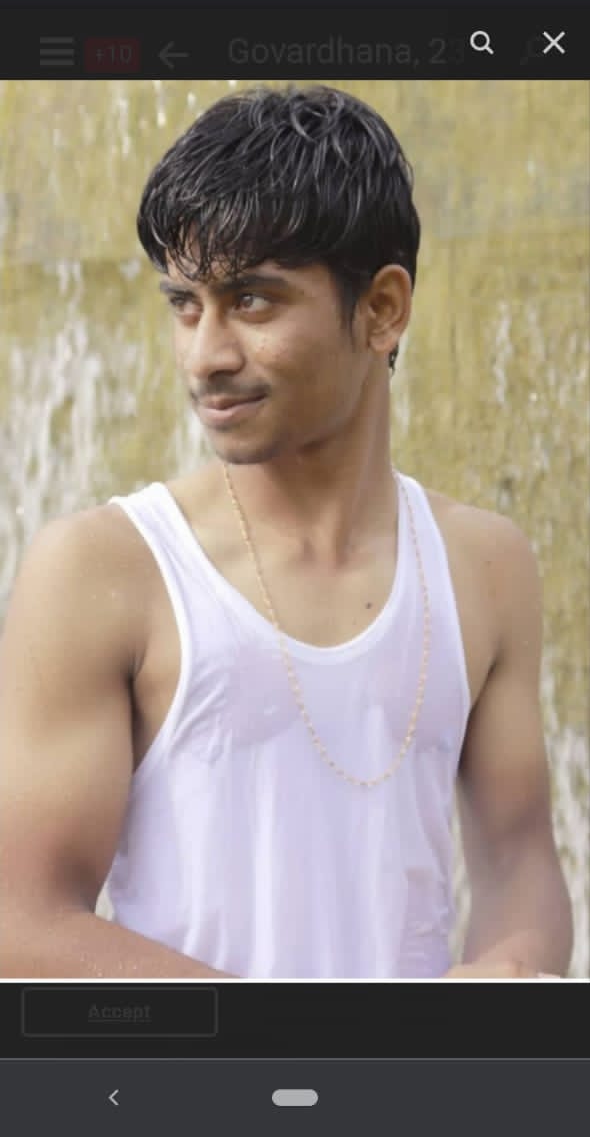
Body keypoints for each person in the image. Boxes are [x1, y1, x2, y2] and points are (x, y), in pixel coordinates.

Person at [0, 85, 573, 979]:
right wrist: (309, 1041)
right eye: (185, 304)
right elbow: (24, 918)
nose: (206, 355)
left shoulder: (485, 565)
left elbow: (520, 865)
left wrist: (503, 972)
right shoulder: (104, 568)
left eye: (252, 302)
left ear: (382, 309)